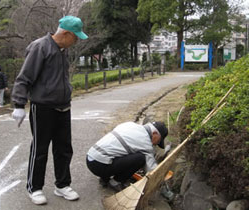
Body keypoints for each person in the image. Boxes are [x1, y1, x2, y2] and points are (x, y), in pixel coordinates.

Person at [11, 16, 88, 205]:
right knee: (40, 149)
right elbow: (24, 78)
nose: (76, 41)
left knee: (64, 148)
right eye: (75, 37)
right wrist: (19, 105)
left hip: (63, 107)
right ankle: (34, 188)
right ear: (65, 34)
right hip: (43, 108)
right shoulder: (40, 47)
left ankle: (62, 185)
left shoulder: (63, 51)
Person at [86, 121, 168, 192]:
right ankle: (115, 182)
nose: (156, 144)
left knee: (121, 149)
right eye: (158, 141)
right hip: (100, 165)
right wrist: (161, 181)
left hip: (90, 158)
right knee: (141, 158)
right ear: (154, 133)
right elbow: (151, 169)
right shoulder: (145, 143)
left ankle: (105, 178)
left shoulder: (130, 124)